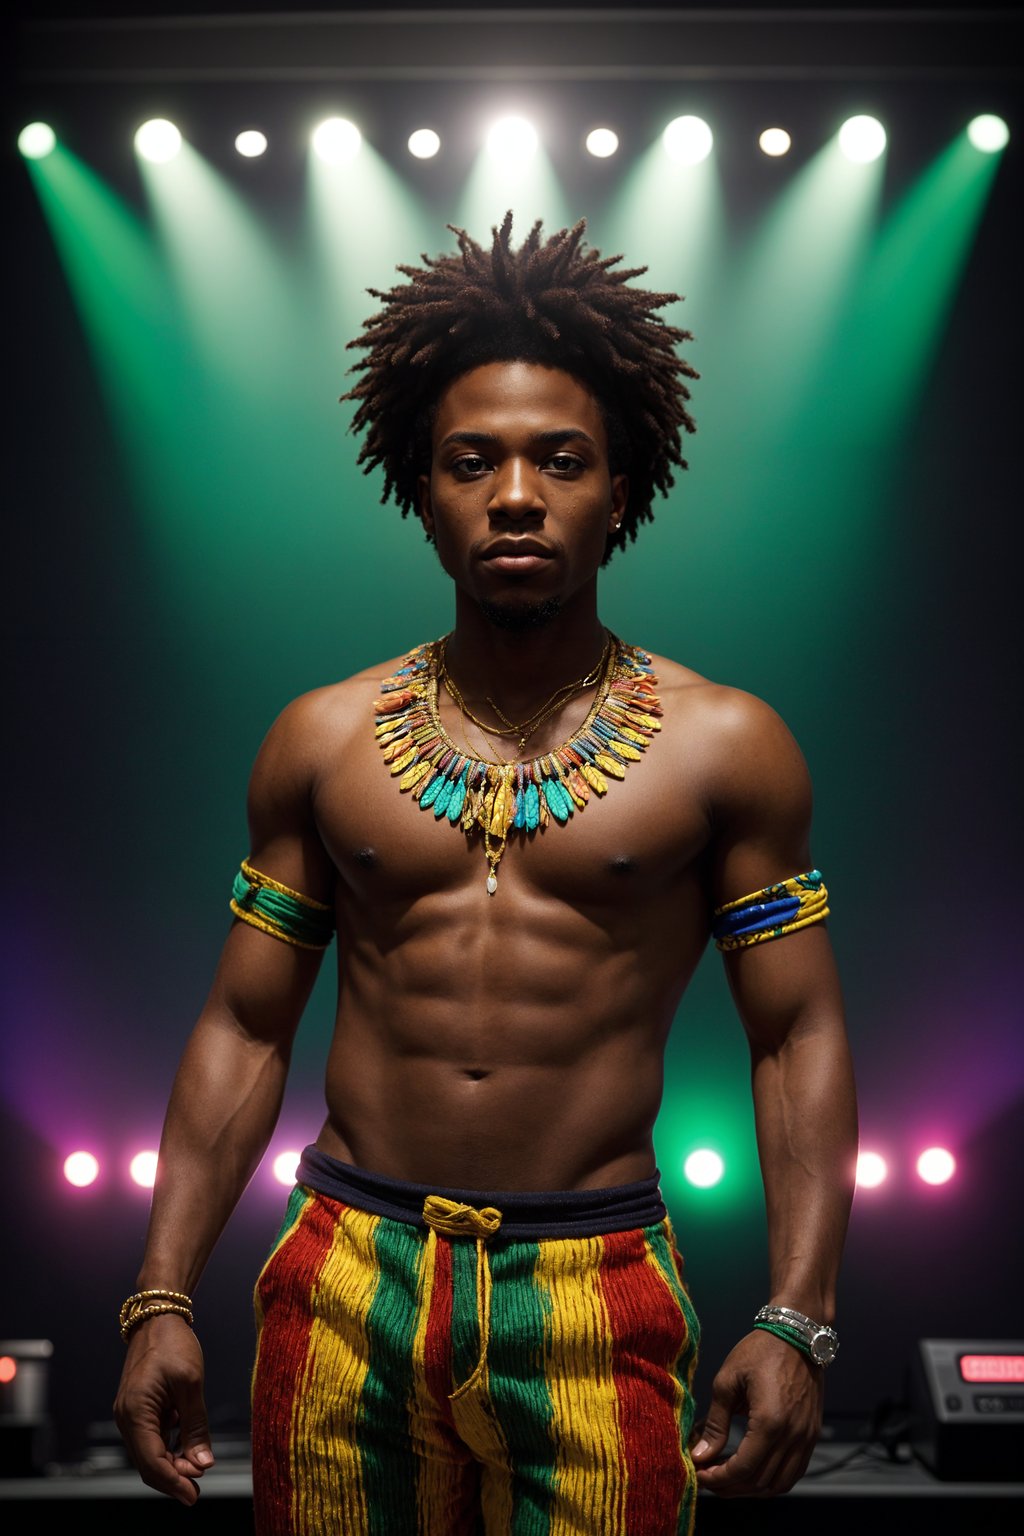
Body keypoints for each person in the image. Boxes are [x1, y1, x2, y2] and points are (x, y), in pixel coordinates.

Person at [113, 211, 857, 1535]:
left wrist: (800, 1315)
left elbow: (796, 1032)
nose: (517, 492)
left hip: (596, 1280)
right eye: (474, 462)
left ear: (617, 490)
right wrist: (161, 1293)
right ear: (424, 491)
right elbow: (241, 1023)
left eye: (560, 460)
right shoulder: (324, 740)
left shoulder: (728, 747)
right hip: (345, 1271)